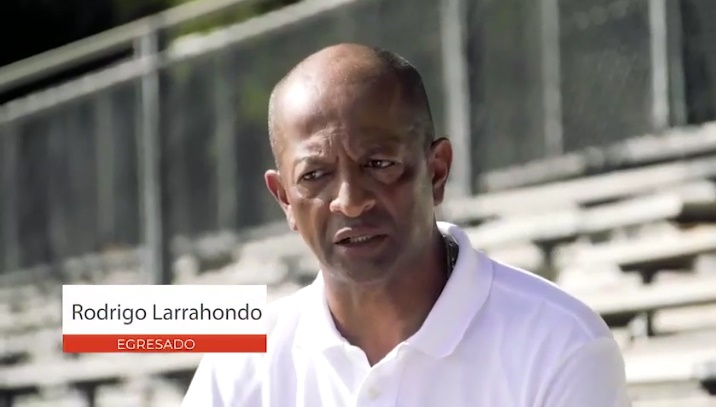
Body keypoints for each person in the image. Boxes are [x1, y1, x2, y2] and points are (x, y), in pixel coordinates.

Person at [182, 43, 631, 406]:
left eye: (379, 164)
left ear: (436, 171)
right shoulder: (239, 366)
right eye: (315, 175)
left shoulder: (559, 344)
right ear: (284, 198)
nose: (350, 201)